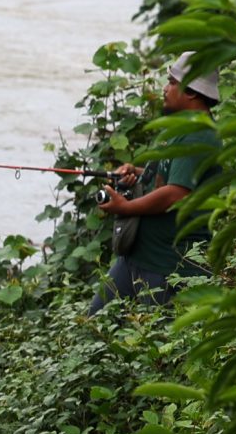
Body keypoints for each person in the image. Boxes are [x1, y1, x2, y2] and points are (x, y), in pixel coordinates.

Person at [92, 55, 221, 309]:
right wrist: (137, 173)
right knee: (96, 323)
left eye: (172, 82)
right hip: (137, 258)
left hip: (167, 266)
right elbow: (169, 174)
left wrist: (125, 208)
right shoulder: (180, 128)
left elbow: (176, 194)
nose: (165, 88)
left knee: (154, 342)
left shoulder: (199, 134)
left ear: (192, 92)